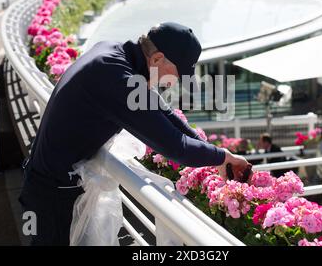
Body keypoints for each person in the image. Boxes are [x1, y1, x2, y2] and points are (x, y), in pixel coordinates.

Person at [19, 22, 250, 246]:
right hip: (51, 191)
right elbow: (175, 147)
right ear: (157, 58)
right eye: (177, 74)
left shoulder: (110, 51)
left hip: (48, 181)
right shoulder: (118, 79)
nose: (176, 81)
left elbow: (164, 112)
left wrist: (217, 153)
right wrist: (223, 158)